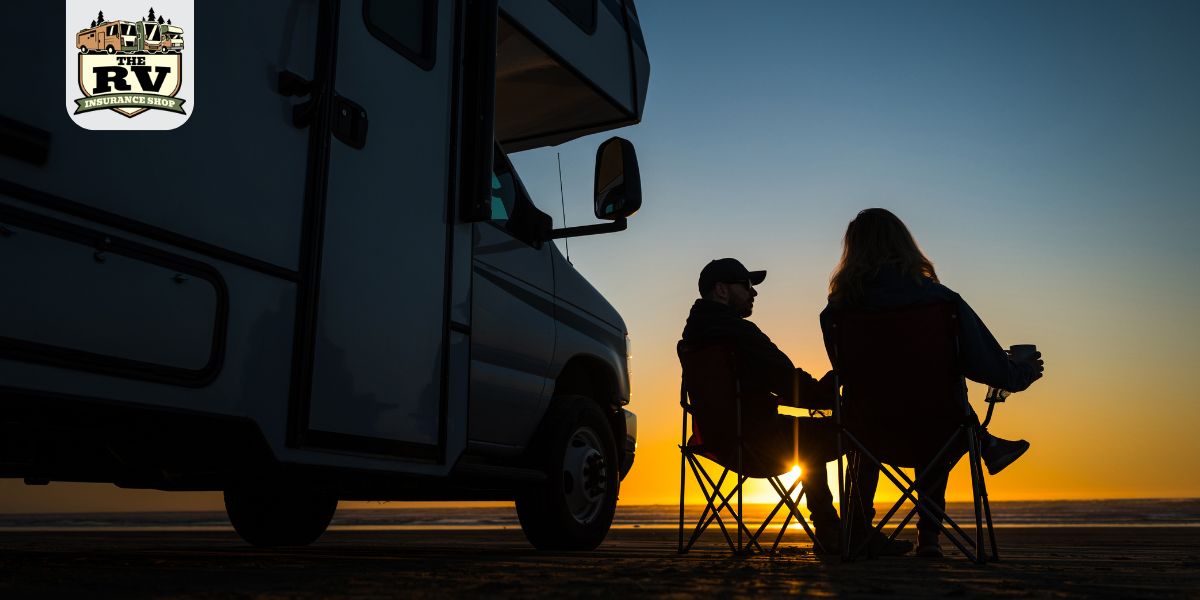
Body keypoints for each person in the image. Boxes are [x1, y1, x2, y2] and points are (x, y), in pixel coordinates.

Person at [819, 208, 1045, 558]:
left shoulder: (836, 313)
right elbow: (994, 371)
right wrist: (1023, 370)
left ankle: (857, 534)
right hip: (937, 428)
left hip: (867, 432)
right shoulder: (943, 302)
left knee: (872, 420)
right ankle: (929, 540)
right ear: (905, 245)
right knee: (937, 418)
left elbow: (848, 372)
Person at [682, 258, 912, 555]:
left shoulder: (694, 339)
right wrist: (836, 385)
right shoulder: (739, 334)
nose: (754, 293)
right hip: (761, 443)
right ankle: (855, 532)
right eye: (747, 286)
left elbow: (765, 391)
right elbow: (792, 385)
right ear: (722, 290)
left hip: (718, 443)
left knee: (807, 437)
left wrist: (815, 397)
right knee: (861, 433)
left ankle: (830, 530)